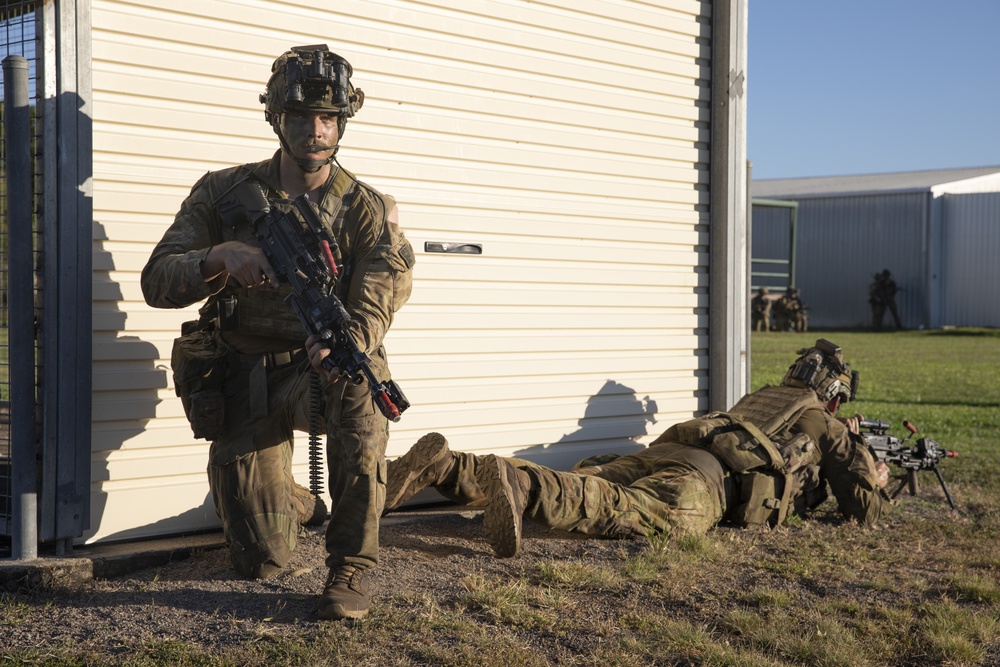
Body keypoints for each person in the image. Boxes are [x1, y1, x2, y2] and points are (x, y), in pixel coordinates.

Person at [141, 45, 415, 620]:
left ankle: (350, 569)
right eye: (299, 117)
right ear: (275, 118)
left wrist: (349, 343)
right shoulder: (223, 192)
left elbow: (379, 293)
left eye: (328, 119)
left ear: (343, 121)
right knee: (262, 560)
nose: (315, 132)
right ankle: (302, 502)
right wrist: (219, 256)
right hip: (243, 373)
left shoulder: (365, 207)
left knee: (363, 394)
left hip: (320, 368)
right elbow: (157, 282)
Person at [349, 339, 890, 558]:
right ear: (835, 395)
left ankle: (449, 467)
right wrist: (880, 479)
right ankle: (515, 483)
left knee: (592, 487)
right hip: (701, 484)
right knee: (613, 510)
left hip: (666, 452)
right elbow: (859, 506)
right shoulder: (824, 422)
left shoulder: (761, 399)